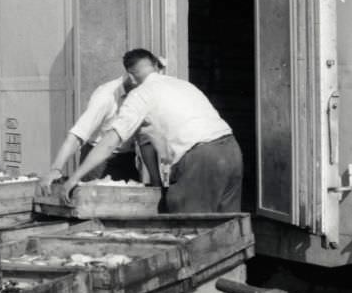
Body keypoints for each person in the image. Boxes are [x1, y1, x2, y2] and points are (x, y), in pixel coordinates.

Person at [61, 48, 243, 213]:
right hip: (231, 151)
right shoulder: (183, 85)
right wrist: (156, 182)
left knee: (190, 227)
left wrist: (74, 178)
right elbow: (147, 138)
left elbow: (110, 142)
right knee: (226, 227)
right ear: (156, 66)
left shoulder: (140, 94)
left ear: (130, 77)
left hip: (202, 158)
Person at [37, 61, 166, 196]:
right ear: (132, 77)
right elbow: (78, 134)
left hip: (126, 159)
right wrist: (56, 168)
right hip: (97, 162)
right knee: (94, 209)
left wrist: (156, 181)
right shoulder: (106, 95)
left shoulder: (144, 96)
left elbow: (145, 143)